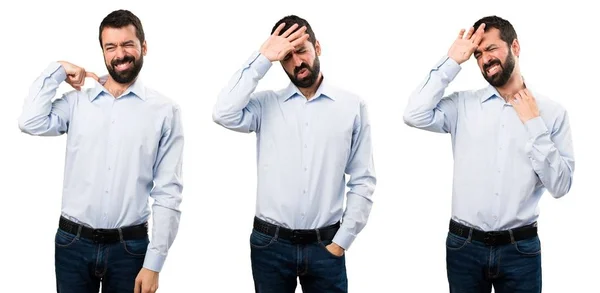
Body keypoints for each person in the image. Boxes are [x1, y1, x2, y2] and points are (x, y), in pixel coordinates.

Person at [403, 15, 574, 293]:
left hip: (521, 249)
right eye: (478, 54)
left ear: (515, 47)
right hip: (464, 247)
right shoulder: (463, 105)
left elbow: (561, 186)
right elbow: (414, 114)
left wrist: (533, 124)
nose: (484, 59)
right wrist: (452, 61)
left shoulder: (552, 113)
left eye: (492, 48)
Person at [18, 9, 184, 293]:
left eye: (128, 44)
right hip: (73, 244)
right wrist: (58, 70)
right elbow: (30, 121)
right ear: (104, 53)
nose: (120, 54)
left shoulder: (165, 111)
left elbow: (168, 192)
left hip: (130, 250)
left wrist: (154, 263)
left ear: (143, 47)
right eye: (111, 47)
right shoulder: (77, 102)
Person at [212, 15, 376, 293]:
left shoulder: (352, 106)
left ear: (318, 47)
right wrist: (262, 58)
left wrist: (343, 240)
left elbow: (363, 179)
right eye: (286, 56)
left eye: (301, 50)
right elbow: (223, 113)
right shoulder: (264, 105)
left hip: (327, 246)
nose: (297, 62)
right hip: (270, 246)